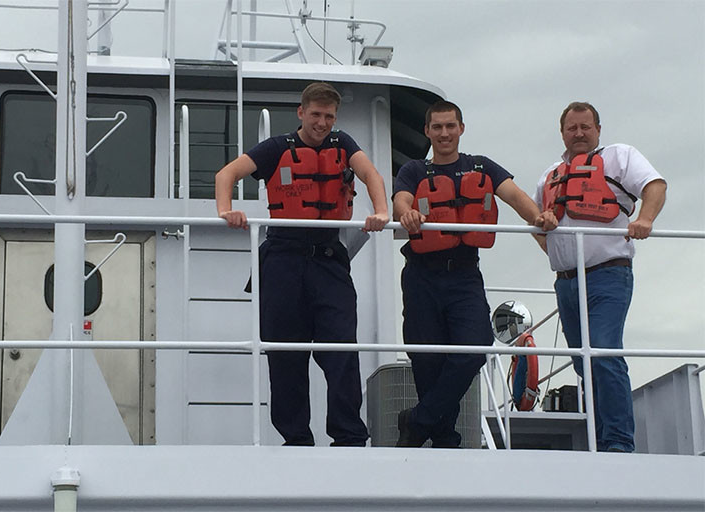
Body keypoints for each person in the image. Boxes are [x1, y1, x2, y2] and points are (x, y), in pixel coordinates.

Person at [214, 82, 389, 446]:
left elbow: (371, 174)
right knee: (285, 354)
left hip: (329, 260)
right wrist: (225, 210)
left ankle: (349, 436)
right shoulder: (277, 148)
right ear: (301, 113)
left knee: (341, 349)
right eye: (316, 115)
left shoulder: (344, 145)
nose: (322, 123)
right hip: (283, 259)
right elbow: (225, 175)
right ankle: (295, 438)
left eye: (328, 116)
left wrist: (382, 211)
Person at [393, 100, 557, 448]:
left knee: (474, 348)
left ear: (461, 129)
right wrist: (407, 214)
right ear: (427, 132)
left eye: (450, 126)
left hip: (464, 274)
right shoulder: (413, 171)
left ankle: (418, 421)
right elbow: (401, 200)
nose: (444, 133)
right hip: (422, 275)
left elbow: (514, 195)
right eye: (436, 127)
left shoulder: (482, 167)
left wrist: (538, 218)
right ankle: (444, 439)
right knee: (426, 359)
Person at [533, 101, 666, 452]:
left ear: (598, 130)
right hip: (565, 282)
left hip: (608, 275)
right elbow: (536, 222)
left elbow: (655, 186)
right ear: (562, 133)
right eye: (571, 128)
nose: (578, 133)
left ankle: (619, 444)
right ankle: (601, 436)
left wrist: (646, 219)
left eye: (585, 127)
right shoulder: (549, 176)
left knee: (604, 353)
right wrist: (557, 250)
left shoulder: (620, 156)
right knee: (582, 362)